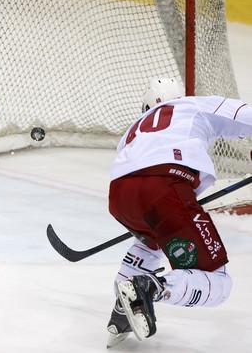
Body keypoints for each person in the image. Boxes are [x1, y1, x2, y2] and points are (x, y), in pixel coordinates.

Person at [104, 77, 250, 347]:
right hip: (165, 187)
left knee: (152, 239)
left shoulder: (133, 130)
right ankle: (151, 288)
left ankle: (121, 311)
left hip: (119, 196)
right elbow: (246, 115)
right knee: (219, 283)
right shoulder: (193, 105)